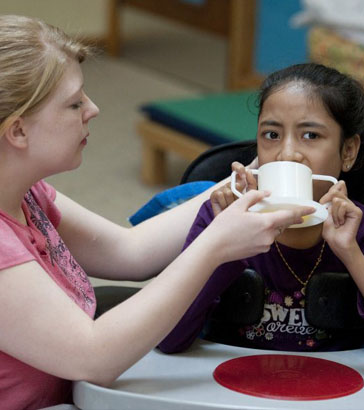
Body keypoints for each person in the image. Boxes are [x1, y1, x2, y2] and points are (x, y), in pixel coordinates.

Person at [0, 15, 315, 409]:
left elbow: (129, 251)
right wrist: (215, 246)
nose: (93, 109)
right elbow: (93, 357)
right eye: (74, 103)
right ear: (18, 131)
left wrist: (251, 177)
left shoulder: (27, 193)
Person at [158, 62, 364, 355]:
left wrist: (351, 254)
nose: (287, 153)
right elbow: (169, 339)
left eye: (311, 136)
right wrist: (225, 243)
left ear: (348, 151)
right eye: (271, 135)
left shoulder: (357, 227)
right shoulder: (220, 216)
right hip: (229, 393)